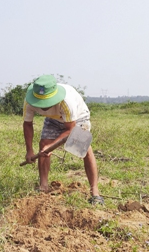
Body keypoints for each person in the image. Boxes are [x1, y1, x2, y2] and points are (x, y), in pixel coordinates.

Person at [22, 74, 104, 205]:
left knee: (85, 149)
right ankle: (43, 186)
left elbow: (70, 129)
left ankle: (95, 192)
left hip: (77, 118)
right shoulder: (29, 101)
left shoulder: (67, 102)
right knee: (43, 144)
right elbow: (27, 124)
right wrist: (29, 151)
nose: (43, 106)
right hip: (53, 119)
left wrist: (52, 146)